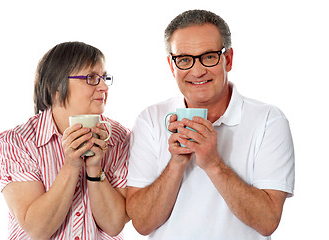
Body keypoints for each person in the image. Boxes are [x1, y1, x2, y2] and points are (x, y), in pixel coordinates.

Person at [126, 10, 295, 240]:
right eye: (184, 59)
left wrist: (214, 164)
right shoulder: (150, 119)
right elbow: (142, 224)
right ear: (171, 65)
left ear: (228, 59)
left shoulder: (268, 121)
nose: (197, 71)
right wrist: (176, 164)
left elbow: (268, 222)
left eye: (209, 56)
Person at [0, 42, 130, 240]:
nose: (103, 86)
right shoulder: (17, 142)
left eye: (103, 78)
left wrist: (94, 168)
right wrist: (71, 165)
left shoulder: (118, 137)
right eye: (91, 78)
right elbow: (37, 229)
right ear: (56, 86)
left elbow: (114, 225)